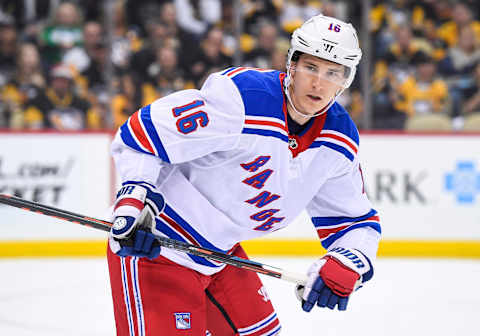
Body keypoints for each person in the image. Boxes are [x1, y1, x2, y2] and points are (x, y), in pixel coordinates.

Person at [107, 14, 381, 335]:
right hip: (157, 247)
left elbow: (354, 221)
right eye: (310, 67)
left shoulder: (339, 137)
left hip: (222, 256)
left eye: (333, 73)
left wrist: (348, 261)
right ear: (291, 64)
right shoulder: (244, 98)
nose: (319, 83)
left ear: (346, 80)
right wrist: (133, 202)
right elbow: (145, 133)